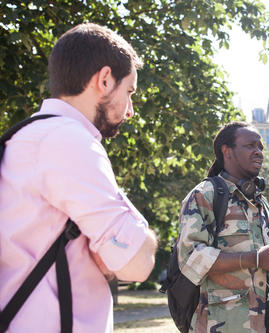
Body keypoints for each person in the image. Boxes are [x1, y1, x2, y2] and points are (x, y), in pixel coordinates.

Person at [0, 23, 157, 332]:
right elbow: (138, 264)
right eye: (129, 92)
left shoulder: (20, 139)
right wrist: (144, 240)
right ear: (105, 79)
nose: (130, 111)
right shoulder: (69, 140)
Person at [176, 121, 269, 333]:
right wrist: (256, 258)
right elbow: (191, 259)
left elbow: (264, 264)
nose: (259, 152)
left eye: (261, 147)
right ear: (227, 151)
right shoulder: (205, 195)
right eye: (250, 146)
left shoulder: (261, 203)